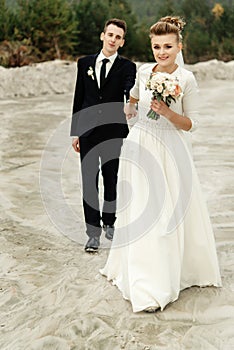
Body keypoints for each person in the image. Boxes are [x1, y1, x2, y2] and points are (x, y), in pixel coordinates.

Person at [100, 16, 222, 312]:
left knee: (166, 211)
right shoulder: (144, 72)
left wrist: (166, 112)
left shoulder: (187, 78)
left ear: (179, 46)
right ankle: (143, 275)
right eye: (156, 46)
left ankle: (164, 276)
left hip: (171, 149)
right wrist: (129, 110)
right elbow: (132, 100)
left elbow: (191, 123)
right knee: (142, 208)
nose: (162, 52)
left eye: (168, 46)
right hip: (141, 144)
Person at [70, 18, 136, 253]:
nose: (113, 39)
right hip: (87, 132)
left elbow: (129, 87)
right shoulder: (84, 63)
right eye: (110, 35)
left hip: (113, 131)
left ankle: (110, 222)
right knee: (89, 182)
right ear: (102, 36)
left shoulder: (127, 66)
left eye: (118, 37)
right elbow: (79, 96)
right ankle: (93, 233)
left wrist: (130, 99)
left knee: (111, 178)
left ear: (122, 42)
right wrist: (75, 132)